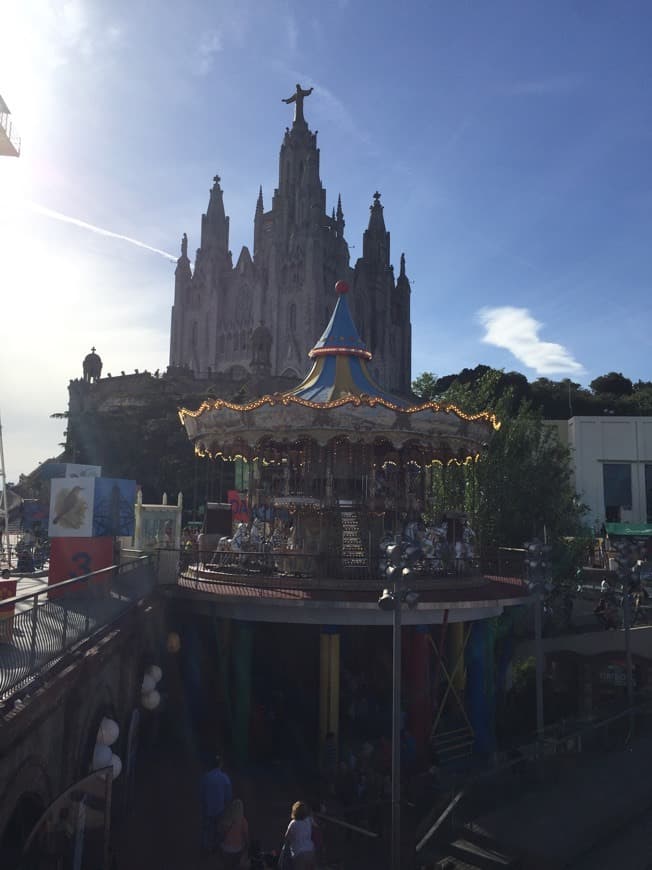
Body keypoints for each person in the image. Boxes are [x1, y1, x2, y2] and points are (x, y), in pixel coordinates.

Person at [200, 754, 232, 854]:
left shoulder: (206, 777)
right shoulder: (224, 777)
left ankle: (206, 848)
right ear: (220, 764)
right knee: (219, 829)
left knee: (207, 829)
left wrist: (204, 805)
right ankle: (216, 847)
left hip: (208, 808)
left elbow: (201, 793)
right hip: (220, 809)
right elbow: (228, 796)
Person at [282, 801, 315, 870]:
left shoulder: (293, 823)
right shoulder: (309, 820)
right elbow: (316, 826)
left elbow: (286, 838)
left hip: (299, 853)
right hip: (310, 851)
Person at [219, 798, 249, 869]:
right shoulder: (243, 821)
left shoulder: (227, 818)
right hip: (237, 849)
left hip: (226, 849)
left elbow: (221, 832)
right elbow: (246, 836)